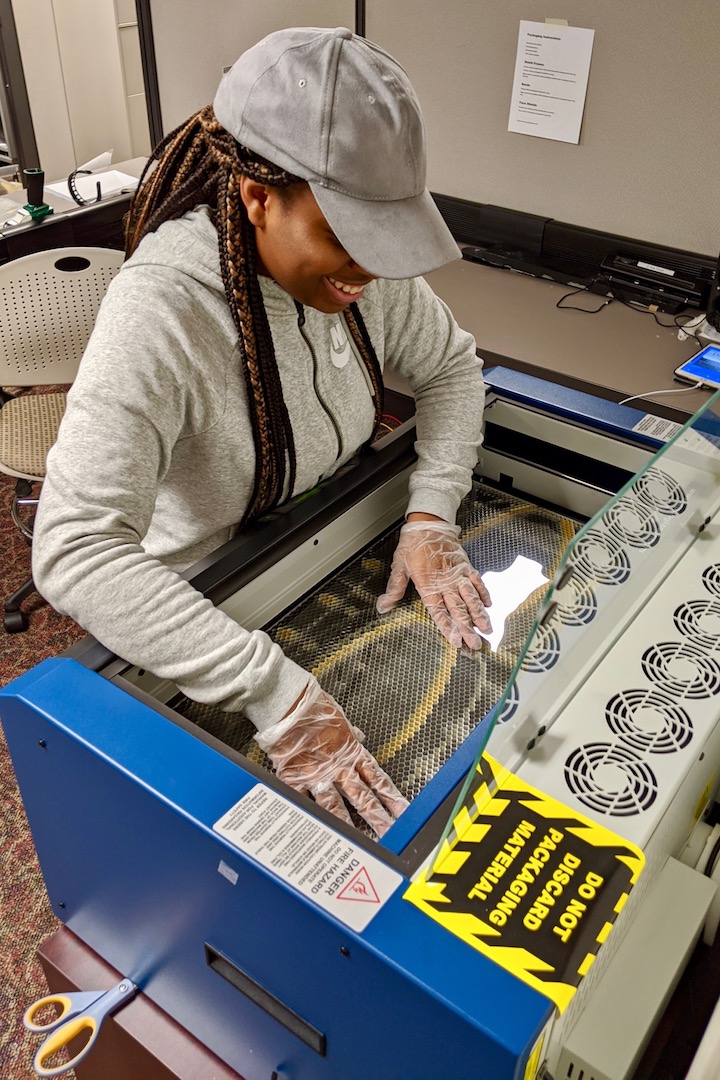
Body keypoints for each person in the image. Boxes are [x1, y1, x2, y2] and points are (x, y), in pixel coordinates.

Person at [32, 26, 491, 838]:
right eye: (346, 237)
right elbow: (73, 548)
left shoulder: (361, 279)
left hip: (319, 548)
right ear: (255, 196)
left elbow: (452, 368)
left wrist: (430, 512)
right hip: (197, 615)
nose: (371, 272)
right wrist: (274, 693)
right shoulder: (163, 311)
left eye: (386, 239)